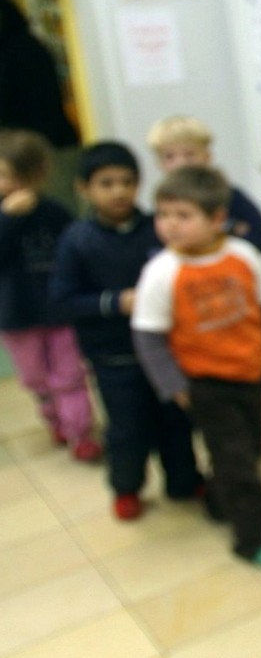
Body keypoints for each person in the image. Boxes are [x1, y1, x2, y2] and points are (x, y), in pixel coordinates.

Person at [132, 165, 261, 568]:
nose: (169, 225)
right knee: (235, 456)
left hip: (251, 373)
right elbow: (149, 339)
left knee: (250, 448)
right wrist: (175, 387)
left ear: (217, 218)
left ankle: (221, 503)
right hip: (204, 383)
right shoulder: (161, 273)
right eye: (163, 215)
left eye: (183, 216)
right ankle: (254, 537)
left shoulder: (243, 256)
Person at [51, 142, 204, 520]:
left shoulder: (158, 230)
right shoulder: (76, 240)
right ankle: (127, 488)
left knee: (176, 423)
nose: (119, 191)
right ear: (83, 188)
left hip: (168, 354)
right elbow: (64, 301)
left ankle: (184, 481)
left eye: (127, 182)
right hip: (114, 359)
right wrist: (117, 302)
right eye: (106, 183)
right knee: (127, 431)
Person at [0, 130, 99, 460]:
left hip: (60, 312)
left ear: (37, 174)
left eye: (15, 177)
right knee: (36, 378)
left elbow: (77, 251)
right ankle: (53, 416)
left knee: (69, 377)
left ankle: (80, 433)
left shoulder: (55, 212)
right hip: (17, 317)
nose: (8, 185)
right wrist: (9, 220)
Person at [0, 0, 81, 212]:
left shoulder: (23, 50)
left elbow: (39, 109)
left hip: (45, 150)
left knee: (53, 212)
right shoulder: (27, 45)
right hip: (22, 151)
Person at [145, 115, 261, 253]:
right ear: (159, 163)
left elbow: (260, 238)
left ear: (207, 156)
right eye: (170, 157)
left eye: (189, 155)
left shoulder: (228, 195)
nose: (181, 164)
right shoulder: (164, 201)